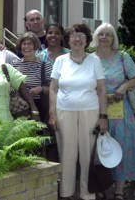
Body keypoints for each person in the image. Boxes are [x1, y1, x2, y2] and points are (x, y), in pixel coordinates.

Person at [48, 24, 108, 200]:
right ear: (67, 40)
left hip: (90, 112)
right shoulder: (60, 61)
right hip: (64, 112)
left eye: (81, 35)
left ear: (87, 40)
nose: (77, 39)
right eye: (73, 36)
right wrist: (52, 114)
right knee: (67, 153)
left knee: (87, 154)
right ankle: (66, 193)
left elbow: (102, 90)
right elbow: (53, 88)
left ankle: (87, 193)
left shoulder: (94, 60)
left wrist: (103, 117)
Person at [91, 23, 135, 200]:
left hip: (121, 111)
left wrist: (124, 86)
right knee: (98, 149)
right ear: (96, 37)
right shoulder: (89, 59)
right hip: (95, 110)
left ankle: (119, 189)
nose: (104, 37)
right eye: (101, 34)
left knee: (121, 146)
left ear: (113, 39)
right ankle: (100, 185)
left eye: (108, 35)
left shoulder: (122, 57)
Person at [11, 32, 52, 122]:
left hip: (38, 106)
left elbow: (52, 88)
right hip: (19, 106)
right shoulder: (14, 64)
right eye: (24, 44)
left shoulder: (44, 65)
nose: (26, 47)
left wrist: (41, 88)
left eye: (30, 44)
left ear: (35, 46)